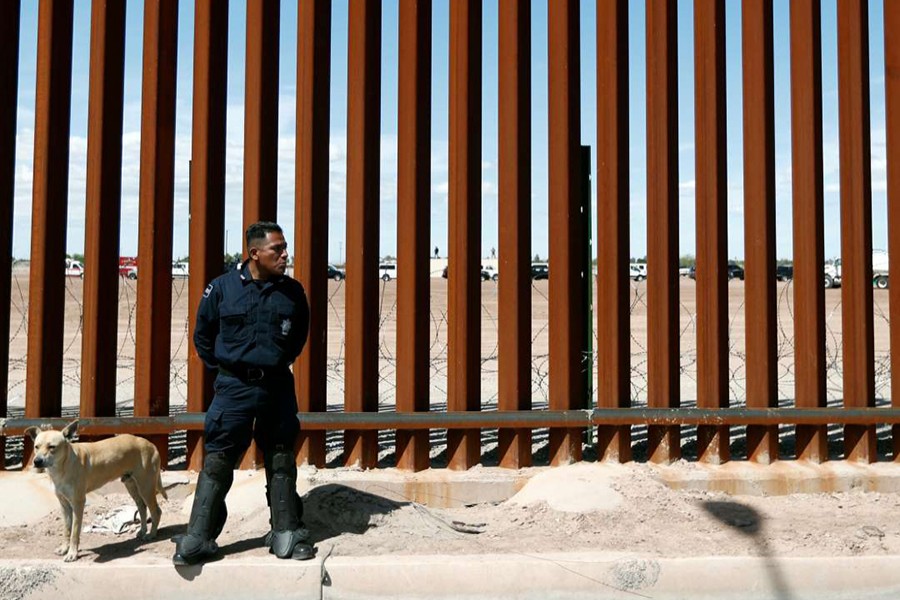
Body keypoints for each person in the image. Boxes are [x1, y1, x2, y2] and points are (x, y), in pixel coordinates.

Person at [173, 221, 314, 565]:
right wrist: (230, 369)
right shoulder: (221, 288)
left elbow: (298, 336)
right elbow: (203, 337)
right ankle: (198, 539)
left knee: (280, 457)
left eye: (284, 248)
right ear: (254, 253)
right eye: (276, 249)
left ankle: (285, 532)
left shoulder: (293, 292)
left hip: (276, 385)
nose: (285, 255)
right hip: (233, 388)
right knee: (219, 459)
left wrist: (271, 362)